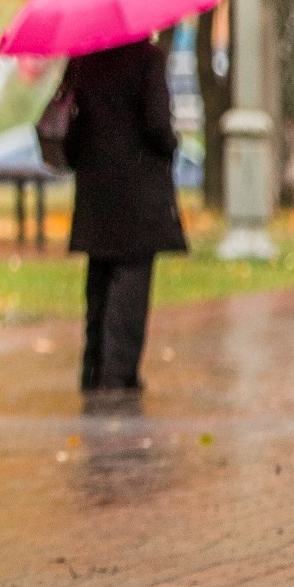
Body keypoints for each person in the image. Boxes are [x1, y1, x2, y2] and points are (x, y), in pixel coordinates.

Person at [60, 34, 186, 396]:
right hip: (137, 194)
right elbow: (158, 125)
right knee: (131, 281)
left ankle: (93, 368)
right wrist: (171, 144)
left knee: (98, 281)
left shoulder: (83, 60)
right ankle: (118, 374)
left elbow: (70, 131)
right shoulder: (147, 59)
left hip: (96, 191)